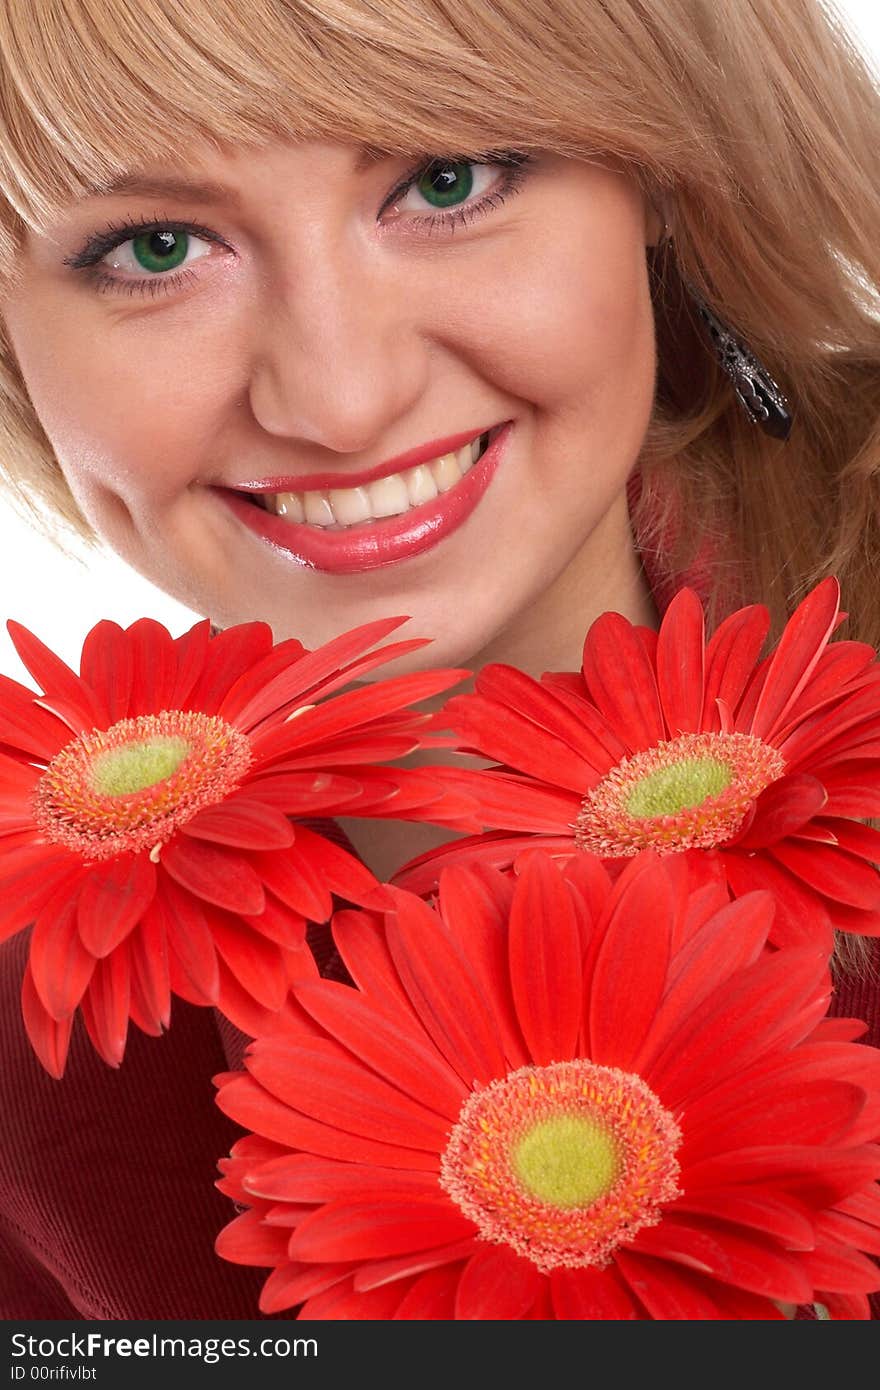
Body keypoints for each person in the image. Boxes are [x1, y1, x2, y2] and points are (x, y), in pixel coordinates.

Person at [0, 0, 877, 1320]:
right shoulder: (45, 1062)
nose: (340, 399)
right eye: (156, 246)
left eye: (446, 180)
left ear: (659, 176)